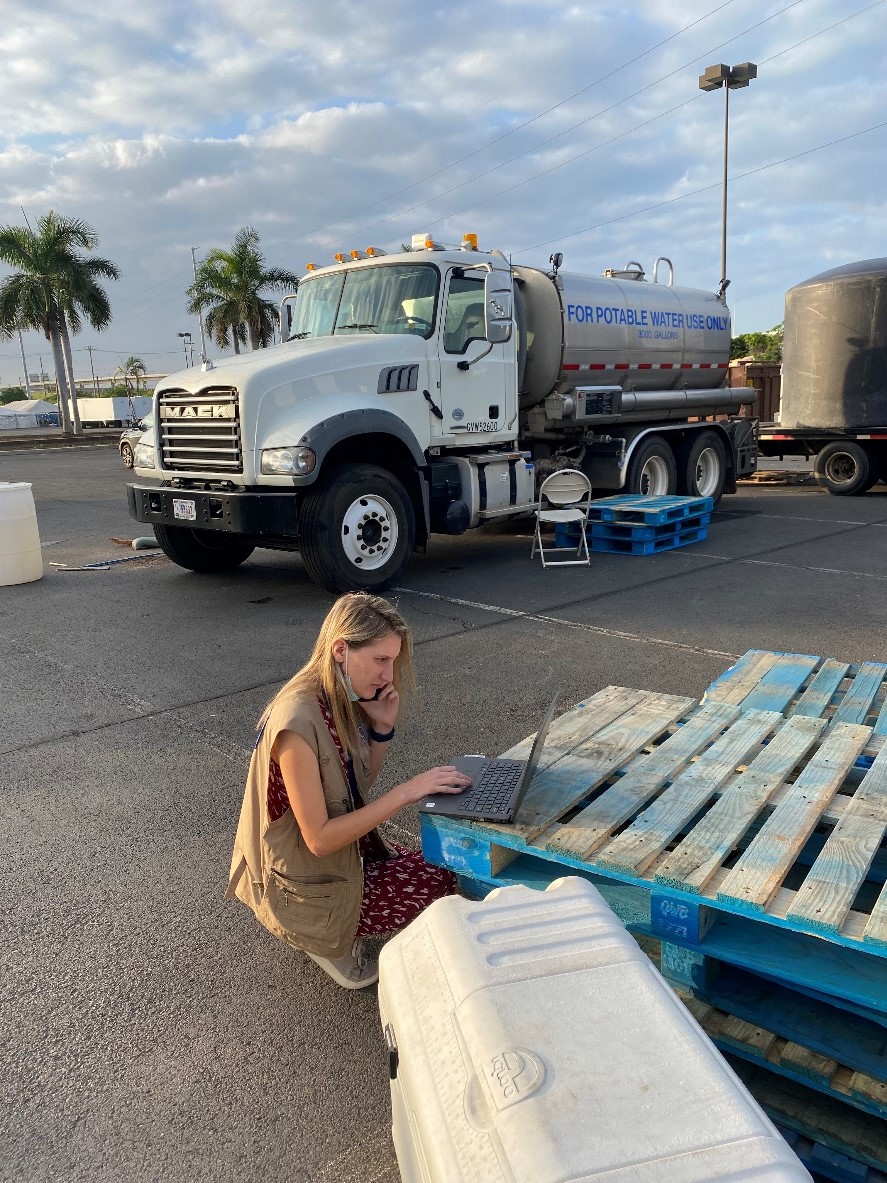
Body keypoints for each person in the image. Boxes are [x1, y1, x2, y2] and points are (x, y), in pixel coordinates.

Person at [227, 592, 472, 989]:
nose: (389, 675)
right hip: (302, 885)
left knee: (442, 862)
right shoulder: (296, 723)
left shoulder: (333, 696)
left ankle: (334, 926)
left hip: (329, 865)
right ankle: (325, 939)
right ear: (341, 650)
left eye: (391, 661)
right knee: (439, 880)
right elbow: (320, 839)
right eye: (380, 659)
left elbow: (353, 788)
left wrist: (381, 728)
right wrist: (407, 792)